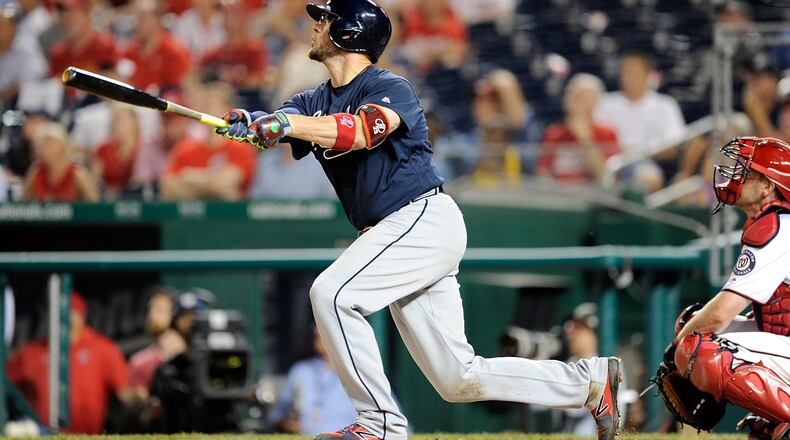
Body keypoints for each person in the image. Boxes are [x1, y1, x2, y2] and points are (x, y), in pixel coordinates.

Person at [215, 1, 621, 439]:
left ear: (350, 32)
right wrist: (255, 122)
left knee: (332, 294)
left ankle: (380, 425)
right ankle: (590, 382)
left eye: (326, 18)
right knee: (458, 379)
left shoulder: (392, 87)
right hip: (396, 232)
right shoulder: (312, 99)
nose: (316, 24)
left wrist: (285, 125)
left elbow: (357, 132)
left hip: (420, 218)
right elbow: (287, 121)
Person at [672, 136, 790, 437]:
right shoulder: (777, 221)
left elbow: (720, 313)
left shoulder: (778, 226)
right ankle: (776, 418)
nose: (734, 176)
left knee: (697, 344)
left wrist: (676, 351)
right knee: (691, 324)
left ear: (767, 185)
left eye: (746, 172)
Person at [6, 293, 136, 434]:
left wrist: (141, 399)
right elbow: (5, 383)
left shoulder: (102, 348)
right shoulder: (30, 351)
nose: (62, 319)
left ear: (81, 316)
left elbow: (125, 393)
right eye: (55, 313)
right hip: (40, 434)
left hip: (87, 436)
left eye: (69, 313)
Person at [593, 51, 686, 192]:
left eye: (633, 72)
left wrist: (639, 153)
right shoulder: (606, 103)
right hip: (608, 161)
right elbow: (596, 137)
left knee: (648, 178)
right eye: (624, 73)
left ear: (648, 75)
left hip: (646, 162)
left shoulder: (665, 105)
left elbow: (673, 147)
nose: (628, 78)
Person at [160, 83, 257, 200]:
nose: (208, 111)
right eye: (205, 106)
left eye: (212, 106)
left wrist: (189, 177)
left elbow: (225, 184)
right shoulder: (186, 148)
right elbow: (168, 186)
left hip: (228, 216)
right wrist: (211, 183)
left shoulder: (241, 148)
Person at [268, 326, 358, 435]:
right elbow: (277, 414)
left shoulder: (355, 372)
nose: (318, 334)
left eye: (325, 332)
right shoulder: (301, 370)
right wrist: (287, 424)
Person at [537, 73, 619, 184]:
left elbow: (605, 178)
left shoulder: (607, 133)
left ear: (595, 104)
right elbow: (543, 175)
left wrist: (585, 138)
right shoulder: (554, 133)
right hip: (559, 194)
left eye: (582, 98)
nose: (576, 103)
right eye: (573, 96)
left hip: (594, 195)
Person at [20, 121, 100, 201]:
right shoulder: (36, 171)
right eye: (40, 145)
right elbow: (21, 204)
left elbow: (94, 205)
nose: (43, 150)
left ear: (62, 146)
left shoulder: (77, 173)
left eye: (48, 144)